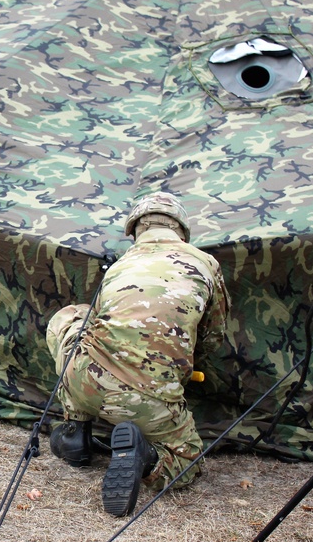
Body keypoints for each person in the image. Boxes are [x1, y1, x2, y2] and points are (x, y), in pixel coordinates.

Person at [44, 192, 232, 517]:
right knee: (188, 462)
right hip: (148, 399)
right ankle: (147, 457)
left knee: (71, 317)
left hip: (83, 378)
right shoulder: (205, 263)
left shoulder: (121, 264)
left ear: (135, 230)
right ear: (181, 230)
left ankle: (76, 430)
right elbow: (213, 336)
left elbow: (95, 323)